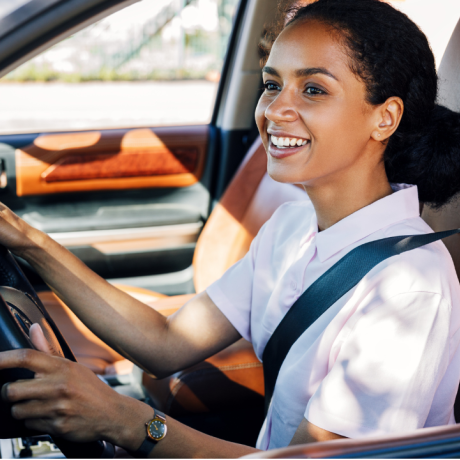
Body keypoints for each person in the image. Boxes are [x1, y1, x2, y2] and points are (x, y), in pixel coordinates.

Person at [0, 0, 460, 457]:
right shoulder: (293, 225)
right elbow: (165, 342)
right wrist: (28, 242)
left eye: (314, 90)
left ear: (386, 117)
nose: (276, 109)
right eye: (272, 85)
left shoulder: (407, 287)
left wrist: (123, 419)